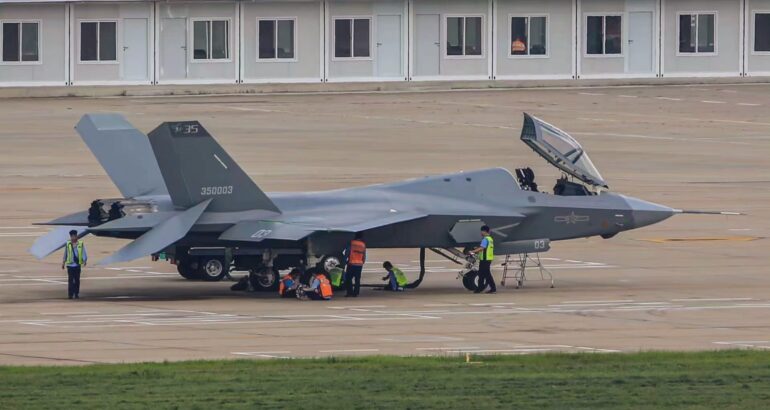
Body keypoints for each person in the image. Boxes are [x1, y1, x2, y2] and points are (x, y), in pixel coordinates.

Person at [469, 225, 496, 294]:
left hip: (485, 259)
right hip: (488, 258)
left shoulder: (485, 239)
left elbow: (482, 248)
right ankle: (482, 288)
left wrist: (473, 251)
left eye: (481, 231)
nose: (481, 233)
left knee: (484, 274)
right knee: (483, 274)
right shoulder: (490, 239)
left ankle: (490, 288)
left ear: (484, 231)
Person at [61, 230, 86, 299]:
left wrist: (84, 260)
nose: (74, 237)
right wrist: (63, 262)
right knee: (70, 280)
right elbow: (65, 253)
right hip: (70, 265)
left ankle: (76, 293)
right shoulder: (68, 244)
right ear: (71, 236)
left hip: (77, 265)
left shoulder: (80, 244)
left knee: (77, 280)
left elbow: (83, 252)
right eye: (72, 236)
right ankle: (70, 294)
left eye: (75, 236)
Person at [344, 232, 366, 297]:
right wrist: (362, 262)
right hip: (359, 264)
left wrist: (345, 261)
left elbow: (347, 252)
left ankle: (349, 292)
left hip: (351, 263)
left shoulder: (352, 243)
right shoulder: (363, 244)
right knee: (357, 279)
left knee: (348, 278)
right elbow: (364, 255)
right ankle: (356, 293)